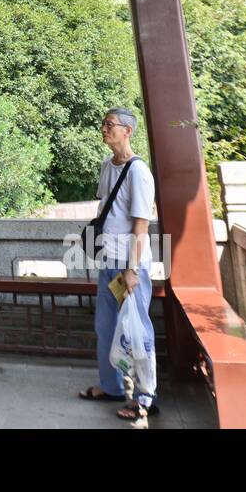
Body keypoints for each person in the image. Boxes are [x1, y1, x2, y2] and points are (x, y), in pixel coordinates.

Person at [77, 107, 158, 423]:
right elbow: (107, 211)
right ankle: (111, 386)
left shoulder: (139, 172)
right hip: (108, 261)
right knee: (107, 327)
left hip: (129, 265)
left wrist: (133, 269)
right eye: (103, 124)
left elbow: (140, 224)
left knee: (138, 331)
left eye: (110, 125)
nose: (104, 129)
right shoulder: (106, 166)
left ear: (128, 131)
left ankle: (146, 397)